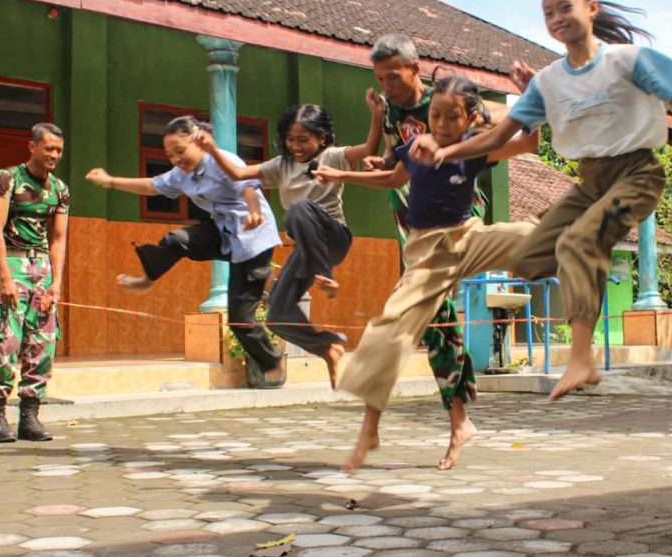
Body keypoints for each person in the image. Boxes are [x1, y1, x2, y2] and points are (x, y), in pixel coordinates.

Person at [411, 0, 672, 402]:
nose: (556, 18)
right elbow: (499, 137)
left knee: (579, 242)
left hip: (637, 173)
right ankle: (584, 262)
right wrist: (445, 151)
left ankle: (581, 359)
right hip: (589, 183)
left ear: (591, 8)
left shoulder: (627, 61)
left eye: (565, 7)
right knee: (525, 260)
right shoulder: (548, 81)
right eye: (548, 12)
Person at [315, 75, 539, 472]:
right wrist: (342, 176)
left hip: (465, 238)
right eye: (435, 115)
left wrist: (532, 97)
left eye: (451, 117)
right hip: (425, 254)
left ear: (470, 117)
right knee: (388, 329)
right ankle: (370, 429)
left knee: (528, 235)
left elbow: (529, 143)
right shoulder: (413, 148)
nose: (440, 124)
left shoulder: (475, 149)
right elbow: (390, 177)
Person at [368, 34, 515, 424]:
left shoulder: (445, 100)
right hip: (410, 216)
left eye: (393, 77)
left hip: (455, 212)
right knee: (431, 316)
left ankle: (458, 408)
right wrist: (379, 164)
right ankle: (459, 401)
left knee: (432, 304)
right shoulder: (391, 112)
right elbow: (390, 154)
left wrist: (485, 119)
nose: (387, 87)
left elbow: (495, 124)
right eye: (380, 78)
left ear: (415, 69)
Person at [190, 94, 385, 388]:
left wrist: (377, 116)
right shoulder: (281, 165)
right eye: (291, 139)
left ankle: (324, 275)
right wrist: (213, 150)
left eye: (303, 139)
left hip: (333, 237)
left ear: (321, 138)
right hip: (306, 248)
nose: (296, 146)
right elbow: (239, 173)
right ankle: (328, 348)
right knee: (278, 315)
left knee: (297, 210)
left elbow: (369, 148)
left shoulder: (331, 156)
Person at [84, 116, 285, 383]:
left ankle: (272, 360)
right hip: (223, 232)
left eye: (180, 151)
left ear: (198, 141)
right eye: (170, 155)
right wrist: (110, 181)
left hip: (253, 238)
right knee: (176, 239)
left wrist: (255, 211)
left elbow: (247, 185)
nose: (177, 159)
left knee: (239, 318)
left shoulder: (221, 160)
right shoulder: (180, 174)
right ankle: (148, 279)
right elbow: (151, 186)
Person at [0, 122, 70, 443]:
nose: (54, 155)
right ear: (31, 146)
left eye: (58, 150)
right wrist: (4, 276)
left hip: (43, 265)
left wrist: (56, 283)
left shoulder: (59, 189)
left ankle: (30, 416)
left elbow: (59, 239)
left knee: (42, 341)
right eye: (48, 148)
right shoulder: (6, 179)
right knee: (6, 337)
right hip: (14, 262)